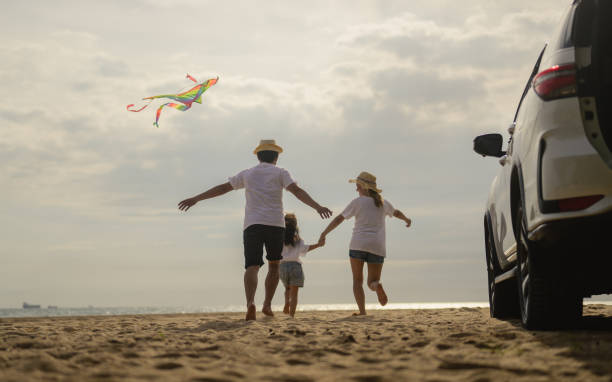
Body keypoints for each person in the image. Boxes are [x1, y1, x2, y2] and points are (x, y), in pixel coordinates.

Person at [178, 139, 332, 321]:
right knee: (274, 265)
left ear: (258, 156)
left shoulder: (248, 173)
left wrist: (196, 198)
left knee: (252, 266)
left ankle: (250, 302)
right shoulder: (281, 172)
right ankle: (266, 304)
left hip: (252, 225)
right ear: (276, 156)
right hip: (275, 224)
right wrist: (317, 207)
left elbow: (223, 188)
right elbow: (296, 191)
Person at [319, 171, 411, 316]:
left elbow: (339, 219)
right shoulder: (382, 203)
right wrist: (406, 219)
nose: (356, 190)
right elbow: (397, 212)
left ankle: (362, 312)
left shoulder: (357, 202)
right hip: (377, 246)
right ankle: (377, 286)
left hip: (358, 245)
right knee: (371, 282)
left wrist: (324, 233)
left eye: (357, 186)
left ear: (364, 187)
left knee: (357, 281)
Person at [280, 213, 325, 318]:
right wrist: (318, 245)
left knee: (287, 289)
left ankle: (287, 302)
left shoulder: (279, 238)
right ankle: (291, 315)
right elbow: (306, 249)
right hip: (295, 266)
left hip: (282, 266)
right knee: (294, 294)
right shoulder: (298, 240)